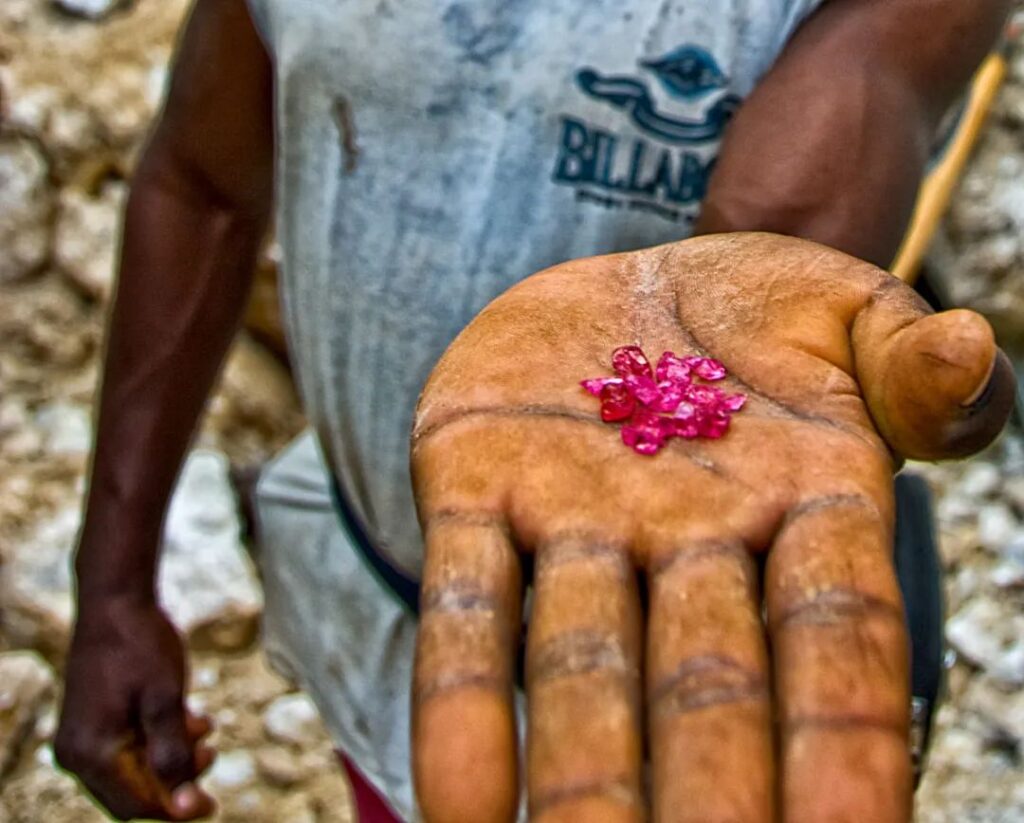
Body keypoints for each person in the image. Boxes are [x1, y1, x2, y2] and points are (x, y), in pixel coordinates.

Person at [53, 1, 1017, 821]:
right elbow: (203, 181)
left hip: (667, 634)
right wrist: (113, 585)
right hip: (378, 583)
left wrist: (746, 319)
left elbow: (787, 217)